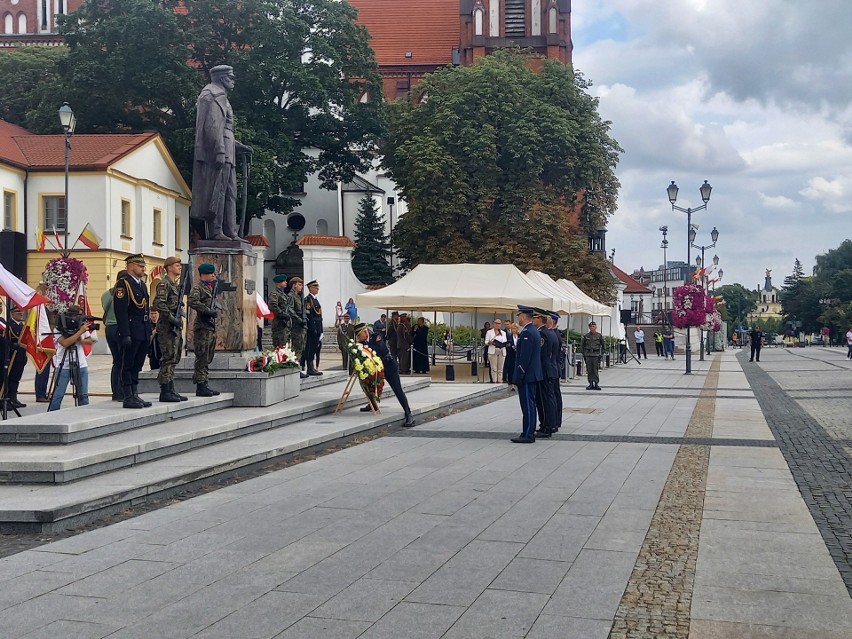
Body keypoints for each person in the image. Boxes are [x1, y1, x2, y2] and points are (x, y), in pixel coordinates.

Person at [190, 65, 252, 241]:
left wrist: (237, 145)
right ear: (222, 77)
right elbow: (212, 127)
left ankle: (231, 231)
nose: (233, 81)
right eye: (231, 77)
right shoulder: (213, 95)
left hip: (227, 150)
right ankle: (216, 231)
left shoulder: (220, 96)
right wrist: (219, 151)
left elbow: (225, 128)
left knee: (230, 193)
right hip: (219, 152)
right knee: (217, 192)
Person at [355, 322, 414, 427]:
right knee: (368, 384)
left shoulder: (376, 336)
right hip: (376, 368)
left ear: (364, 332)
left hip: (388, 366)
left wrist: (365, 346)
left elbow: (379, 349)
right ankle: (372, 404)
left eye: (359, 335)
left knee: (397, 390)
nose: (359, 338)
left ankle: (408, 413)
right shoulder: (362, 343)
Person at [114, 254, 153, 409]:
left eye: (143, 266)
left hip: (142, 329)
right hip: (131, 328)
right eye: (140, 265)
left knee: (138, 363)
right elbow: (121, 311)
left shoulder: (142, 285)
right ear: (131, 266)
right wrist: (125, 334)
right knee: (128, 363)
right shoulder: (123, 284)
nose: (143, 268)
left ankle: (135, 393)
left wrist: (148, 330)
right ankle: (128, 395)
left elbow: (145, 308)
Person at [48, 305, 96, 412]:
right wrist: (79, 333)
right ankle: (52, 415)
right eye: (75, 315)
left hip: (80, 363)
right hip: (63, 364)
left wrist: (80, 339)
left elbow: (89, 341)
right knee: (58, 394)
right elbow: (65, 343)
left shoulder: (81, 325)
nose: (76, 318)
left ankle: (83, 415)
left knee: (83, 395)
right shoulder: (59, 327)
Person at [152, 256, 187, 402]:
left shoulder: (175, 285)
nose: (179, 267)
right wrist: (172, 318)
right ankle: (165, 391)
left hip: (175, 327)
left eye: (180, 265)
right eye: (176, 265)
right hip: (167, 327)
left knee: (174, 357)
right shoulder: (164, 284)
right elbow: (158, 303)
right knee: (168, 358)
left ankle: (171, 388)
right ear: (169, 267)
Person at [187, 263, 221, 396]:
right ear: (203, 275)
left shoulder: (209, 288)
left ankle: (205, 382)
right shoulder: (198, 287)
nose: (213, 275)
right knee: (202, 356)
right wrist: (207, 311)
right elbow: (192, 301)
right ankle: (200, 385)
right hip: (202, 328)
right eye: (210, 273)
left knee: (207, 356)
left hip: (209, 327)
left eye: (213, 273)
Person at [511, 306, 543, 443]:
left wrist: (519, 375)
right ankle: (527, 431)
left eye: (519, 316)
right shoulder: (532, 331)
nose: (518, 318)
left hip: (527, 375)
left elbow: (524, 358)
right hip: (532, 374)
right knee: (529, 404)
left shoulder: (527, 333)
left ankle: (528, 434)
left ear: (523, 316)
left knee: (528, 405)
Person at [533, 310, 559, 437]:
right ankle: (552, 424)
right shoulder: (551, 332)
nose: (533, 320)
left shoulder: (542, 333)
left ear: (540, 319)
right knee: (550, 398)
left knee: (544, 400)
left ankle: (547, 426)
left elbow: (541, 355)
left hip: (545, 370)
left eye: (535, 318)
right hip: (552, 369)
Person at [101, 270, 126, 401]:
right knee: (123, 361)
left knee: (116, 362)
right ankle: (122, 392)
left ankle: (115, 392)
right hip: (120, 328)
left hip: (109, 329)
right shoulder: (124, 294)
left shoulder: (105, 294)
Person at [1, 303, 28, 408]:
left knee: (16, 378)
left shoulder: (22, 325)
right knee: (10, 378)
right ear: (12, 314)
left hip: (21, 355)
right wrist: (13, 345)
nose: (21, 314)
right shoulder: (9, 325)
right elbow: (6, 340)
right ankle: (7, 399)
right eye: (18, 312)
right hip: (12, 355)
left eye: (21, 312)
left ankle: (14, 398)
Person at [286, 277, 308, 378]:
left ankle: (297, 368)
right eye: (299, 285)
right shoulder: (291, 296)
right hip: (296, 327)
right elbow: (290, 309)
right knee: (297, 349)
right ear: (294, 285)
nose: (301, 287)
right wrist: (299, 320)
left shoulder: (298, 296)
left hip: (301, 327)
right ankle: (295, 370)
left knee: (301, 348)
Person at [302, 280, 323, 376]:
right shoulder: (308, 300)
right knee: (310, 348)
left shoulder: (316, 300)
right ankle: (309, 367)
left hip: (317, 327)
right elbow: (309, 316)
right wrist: (312, 328)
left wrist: (321, 330)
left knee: (315, 348)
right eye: (315, 287)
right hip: (312, 328)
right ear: (310, 288)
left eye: (317, 287)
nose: (317, 289)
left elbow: (319, 317)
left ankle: (312, 367)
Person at [581, 320, 605, 390]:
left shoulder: (599, 336)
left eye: (593, 326)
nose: (592, 328)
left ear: (596, 327)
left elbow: (603, 345)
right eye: (591, 326)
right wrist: (584, 354)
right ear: (589, 327)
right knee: (589, 370)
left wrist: (601, 354)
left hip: (596, 355)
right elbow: (582, 346)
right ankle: (590, 383)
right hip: (588, 355)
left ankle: (596, 383)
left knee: (595, 369)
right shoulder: (586, 336)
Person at [268, 274, 290, 348]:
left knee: (285, 348)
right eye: (283, 281)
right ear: (278, 283)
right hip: (279, 325)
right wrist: (283, 314)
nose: (286, 282)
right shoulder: (275, 294)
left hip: (285, 325)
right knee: (279, 348)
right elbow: (272, 306)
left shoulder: (283, 294)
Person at [485, 319, 507, 384]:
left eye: (499, 323)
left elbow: (505, 341)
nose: (497, 325)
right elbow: (486, 342)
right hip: (493, 350)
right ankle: (494, 381)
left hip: (501, 350)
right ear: (493, 324)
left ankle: (500, 381)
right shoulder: (489, 332)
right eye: (496, 323)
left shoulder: (503, 333)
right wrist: (490, 342)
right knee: (494, 368)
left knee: (500, 368)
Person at [504, 323, 519, 390]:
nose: (513, 330)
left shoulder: (520, 336)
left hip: (518, 353)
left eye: (515, 328)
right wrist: (511, 346)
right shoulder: (509, 336)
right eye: (512, 329)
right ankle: (512, 383)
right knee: (511, 368)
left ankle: (517, 381)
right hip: (511, 354)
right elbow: (507, 344)